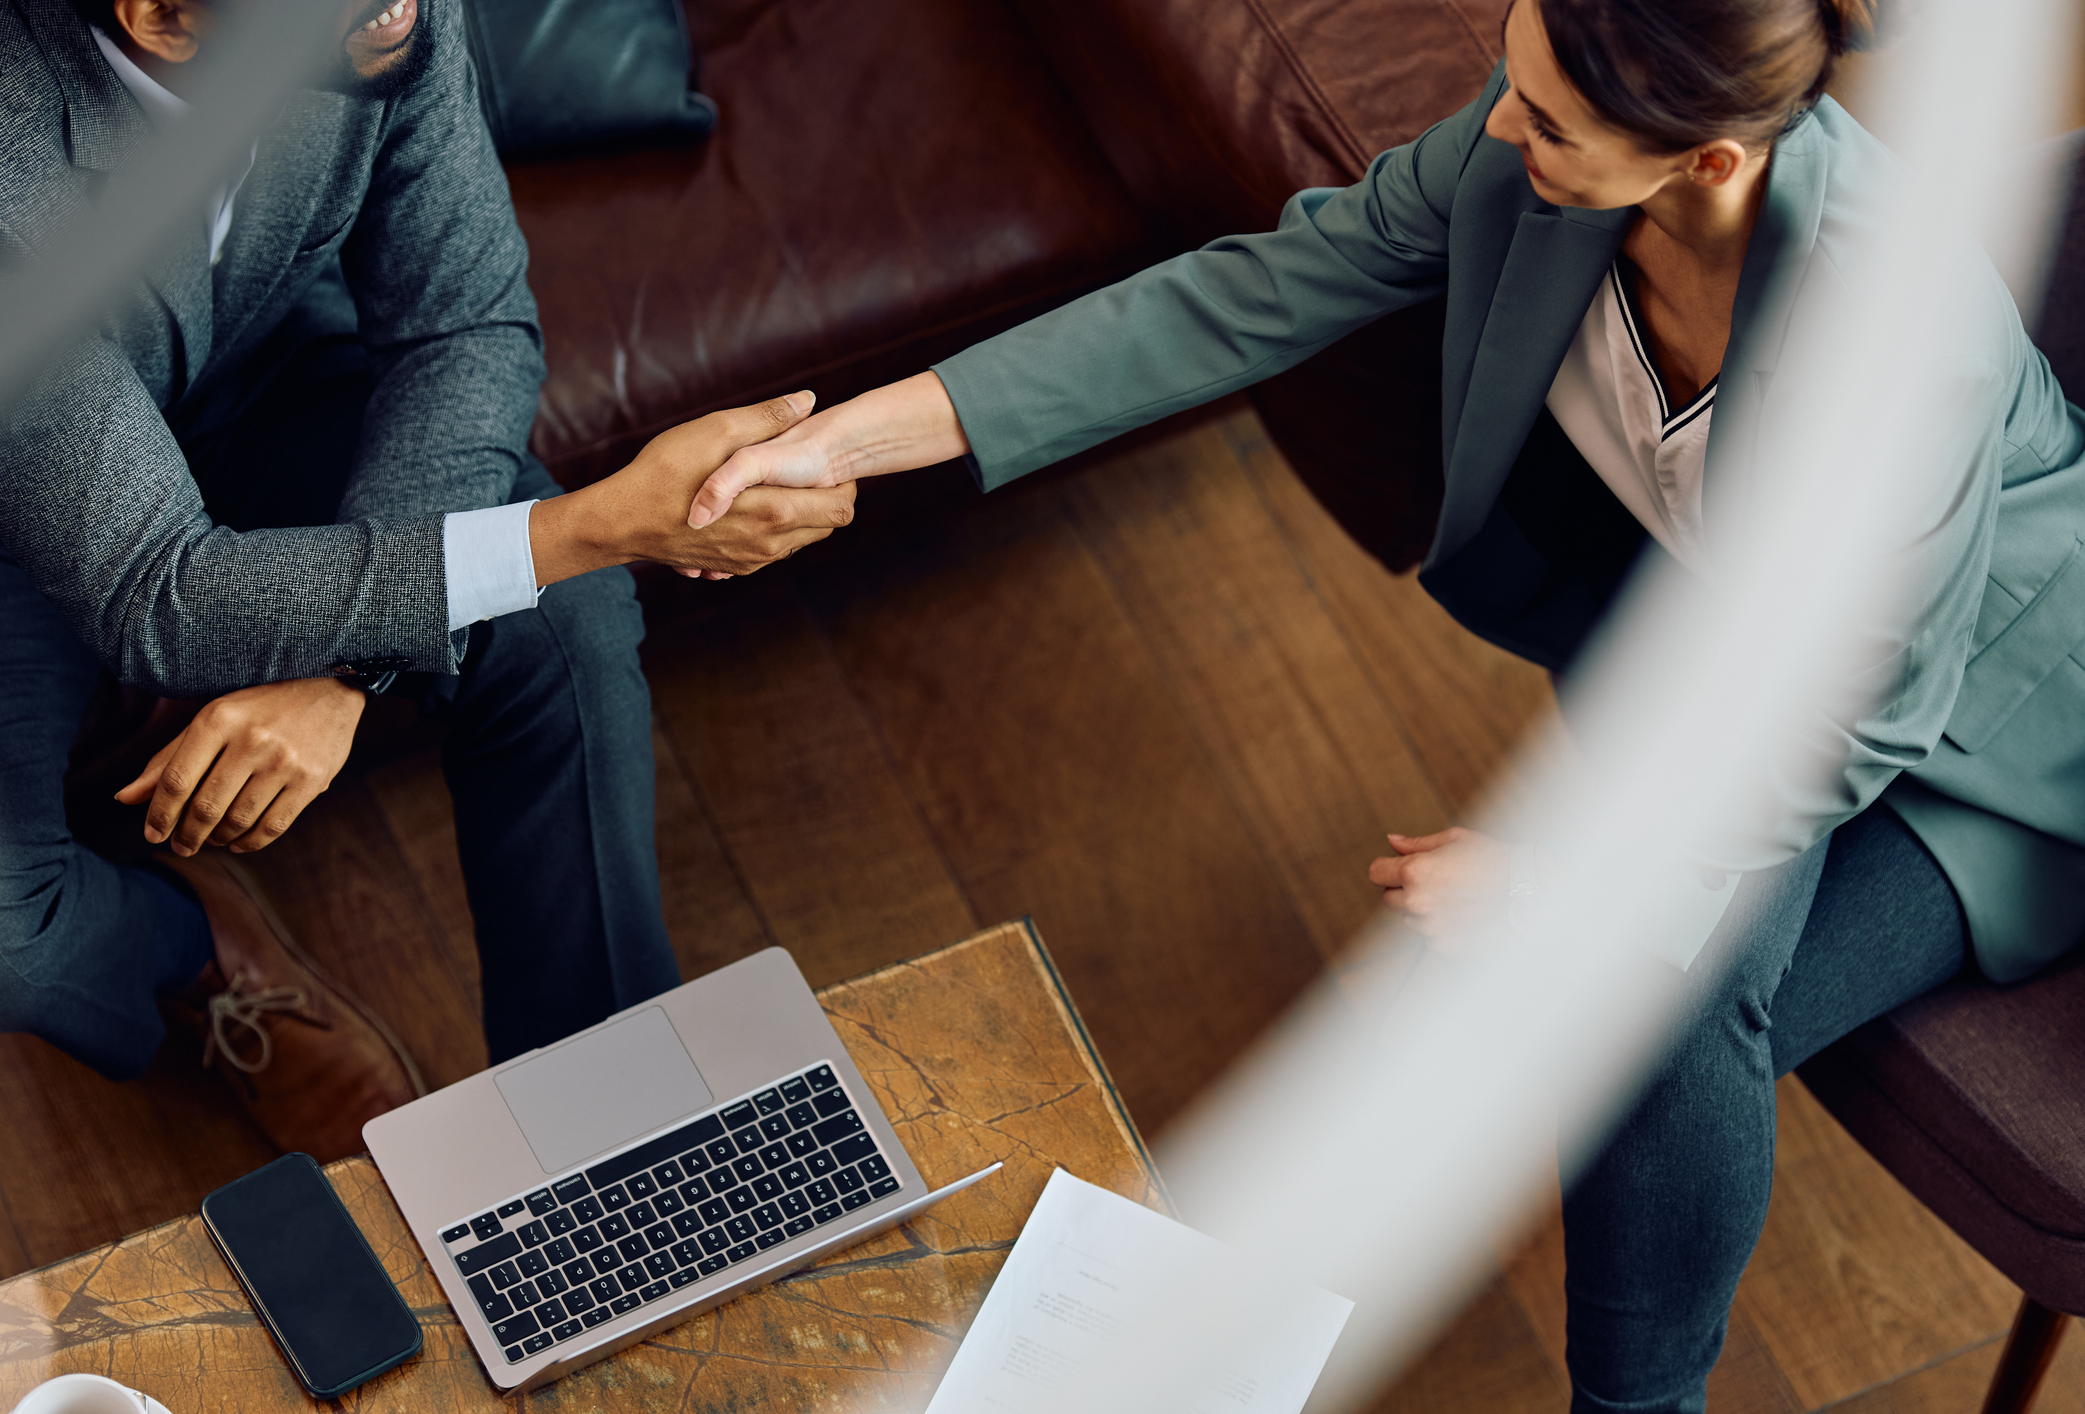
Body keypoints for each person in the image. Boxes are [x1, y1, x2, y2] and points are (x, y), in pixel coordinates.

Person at [678, 0, 2085, 1406]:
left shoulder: (1903, 338)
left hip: (1993, 742)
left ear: (1707, 161)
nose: (1501, 126)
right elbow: (1250, 293)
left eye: (1548, 123)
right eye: (1516, 79)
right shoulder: (1539, 136)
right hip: (1734, 658)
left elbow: (1862, 714)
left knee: (1639, 989)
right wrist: (850, 440)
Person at [0, 0, 856, 1161]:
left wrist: (353, 667)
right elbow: (157, 592)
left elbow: (464, 329)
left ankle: (618, 1144)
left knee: (565, 619)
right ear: (164, 20)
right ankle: (195, 957)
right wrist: (588, 527)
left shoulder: (376, 16)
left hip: (256, 379)